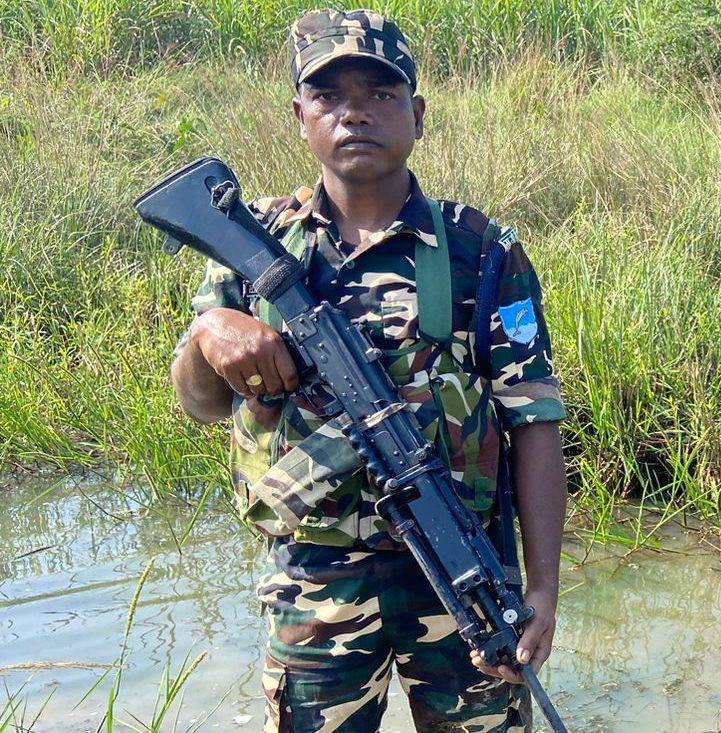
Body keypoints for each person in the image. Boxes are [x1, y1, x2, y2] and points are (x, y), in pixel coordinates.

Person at [168, 10, 566, 732]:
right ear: (300, 117)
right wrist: (207, 335)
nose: (355, 112)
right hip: (312, 583)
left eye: (381, 95)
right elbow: (200, 405)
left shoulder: (482, 251)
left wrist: (542, 588)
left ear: (417, 113)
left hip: (461, 578)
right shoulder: (251, 244)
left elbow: (535, 421)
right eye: (329, 96)